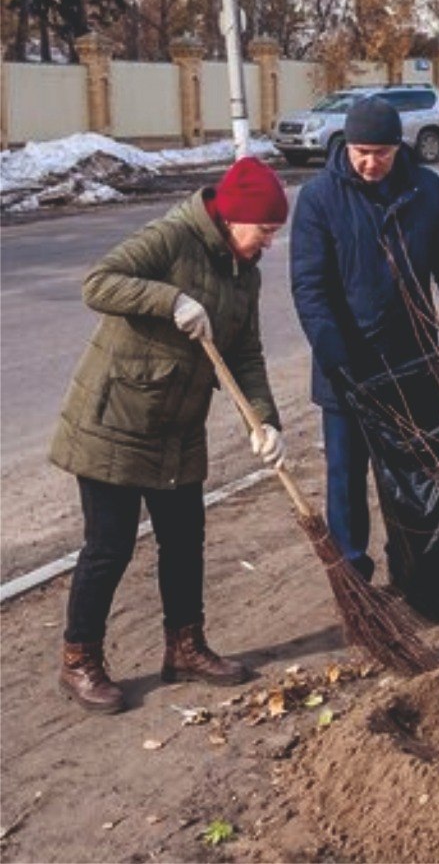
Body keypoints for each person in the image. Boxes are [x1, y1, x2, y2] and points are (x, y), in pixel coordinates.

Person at [50, 158, 289, 714]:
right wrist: (171, 301)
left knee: (184, 540)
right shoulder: (172, 238)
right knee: (108, 546)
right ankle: (79, 659)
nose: (270, 243)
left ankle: (184, 647)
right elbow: (99, 282)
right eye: (267, 230)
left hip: (177, 428)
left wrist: (266, 420)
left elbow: (246, 354)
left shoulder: (243, 272)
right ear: (234, 218)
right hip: (117, 417)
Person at [290, 95, 439, 580]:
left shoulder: (425, 190)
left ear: (399, 147)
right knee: (346, 478)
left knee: (416, 475)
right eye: (362, 152)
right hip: (347, 369)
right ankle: (354, 577)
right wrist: (333, 355)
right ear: (347, 146)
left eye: (382, 152)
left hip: (411, 360)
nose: (371, 162)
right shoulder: (319, 199)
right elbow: (309, 288)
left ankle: (416, 566)